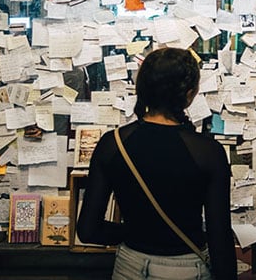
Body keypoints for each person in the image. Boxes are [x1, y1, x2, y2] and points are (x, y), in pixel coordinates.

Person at [77, 47, 237, 279]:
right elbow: (219, 238)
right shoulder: (208, 151)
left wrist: (132, 231)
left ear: (141, 88)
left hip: (129, 265)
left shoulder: (112, 144)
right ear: (190, 94)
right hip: (186, 268)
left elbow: (88, 230)